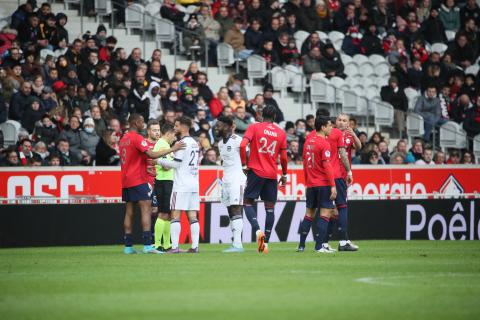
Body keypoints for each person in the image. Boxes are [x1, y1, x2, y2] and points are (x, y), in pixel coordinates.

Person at [119, 114, 185, 255]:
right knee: (146, 210)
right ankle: (148, 246)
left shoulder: (123, 139)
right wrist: (173, 149)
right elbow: (151, 154)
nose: (143, 124)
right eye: (142, 121)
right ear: (136, 122)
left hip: (126, 180)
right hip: (138, 179)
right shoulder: (137, 138)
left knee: (129, 212)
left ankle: (128, 246)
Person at [240, 106, 288, 254]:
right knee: (270, 208)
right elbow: (284, 157)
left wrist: (244, 164)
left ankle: (257, 230)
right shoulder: (280, 133)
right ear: (274, 116)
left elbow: (242, 145)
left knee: (247, 203)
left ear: (261, 115)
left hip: (256, 171)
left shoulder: (254, 127)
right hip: (272, 174)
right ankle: (265, 242)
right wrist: (284, 174)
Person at [156, 116, 201, 253]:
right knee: (192, 216)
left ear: (183, 126)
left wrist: (158, 161)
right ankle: (195, 247)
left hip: (181, 184)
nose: (174, 128)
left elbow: (176, 164)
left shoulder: (182, 143)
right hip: (194, 183)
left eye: (176, 126)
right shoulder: (194, 142)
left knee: (175, 214)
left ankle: (174, 247)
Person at [297, 115, 336, 253]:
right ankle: (319, 247)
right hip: (323, 183)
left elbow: (305, 164)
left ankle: (301, 246)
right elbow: (327, 166)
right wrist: (333, 185)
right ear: (323, 127)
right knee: (325, 213)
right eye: (330, 125)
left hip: (311, 184)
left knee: (309, 214)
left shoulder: (308, 141)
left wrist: (307, 181)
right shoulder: (324, 143)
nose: (332, 128)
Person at [215, 116, 246, 253]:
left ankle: (238, 245)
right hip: (226, 180)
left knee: (236, 209)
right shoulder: (220, 143)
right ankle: (235, 242)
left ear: (228, 126)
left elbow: (249, 158)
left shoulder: (238, 141)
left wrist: (246, 175)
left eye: (219, 125)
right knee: (231, 211)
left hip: (237, 179)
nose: (216, 128)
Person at [153, 122, 176, 252]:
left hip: (166, 181)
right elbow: (165, 166)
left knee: (167, 214)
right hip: (164, 182)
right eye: (173, 134)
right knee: (163, 213)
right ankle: (157, 245)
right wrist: (177, 163)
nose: (174, 137)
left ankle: (167, 244)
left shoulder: (165, 145)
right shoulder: (162, 145)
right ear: (168, 133)